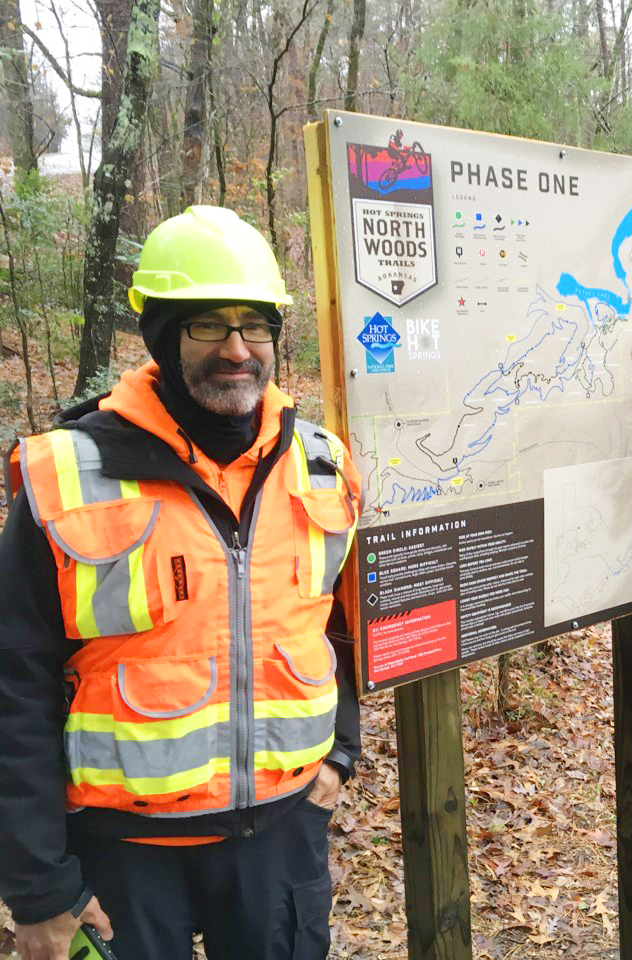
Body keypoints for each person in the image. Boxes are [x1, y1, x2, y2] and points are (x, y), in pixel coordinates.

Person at [0, 206, 362, 960]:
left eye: (254, 325)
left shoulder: (321, 462)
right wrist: (37, 884)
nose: (237, 349)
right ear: (163, 338)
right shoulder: (68, 472)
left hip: (279, 839)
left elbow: (340, 623)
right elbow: (14, 683)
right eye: (207, 326)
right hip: (118, 852)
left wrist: (341, 749)